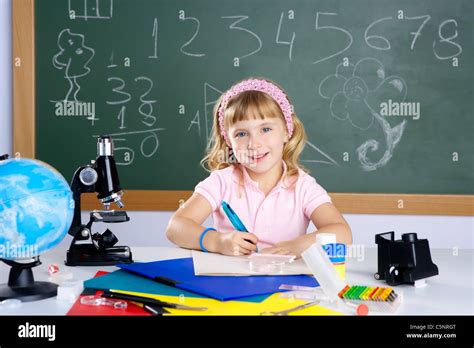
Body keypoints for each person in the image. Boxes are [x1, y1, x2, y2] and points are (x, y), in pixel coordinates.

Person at [166, 77, 352, 257]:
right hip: (231, 283)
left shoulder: (303, 187)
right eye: (241, 134)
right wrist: (217, 241)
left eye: (265, 129)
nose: (254, 144)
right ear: (228, 141)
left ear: (287, 131)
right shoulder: (222, 182)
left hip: (286, 284)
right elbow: (176, 227)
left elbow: (343, 234)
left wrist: (297, 246)